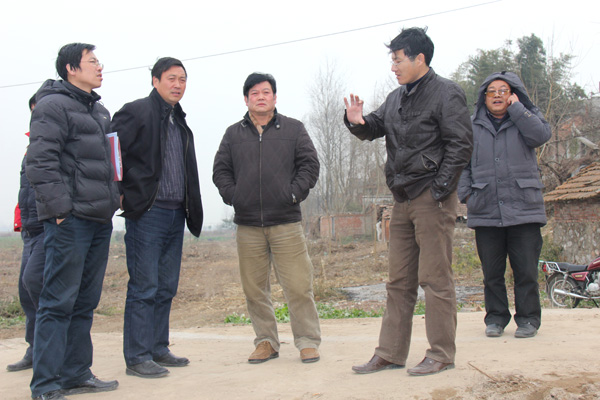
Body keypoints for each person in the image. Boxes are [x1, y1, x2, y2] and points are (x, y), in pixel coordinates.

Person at [343, 27, 473, 376]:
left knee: (435, 279)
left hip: (432, 198)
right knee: (399, 281)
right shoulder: (396, 98)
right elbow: (374, 126)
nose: (393, 67)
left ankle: (441, 353)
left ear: (420, 58)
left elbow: (461, 145)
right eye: (392, 60)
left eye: (398, 60)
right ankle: (390, 353)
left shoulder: (446, 93)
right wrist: (356, 121)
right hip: (401, 199)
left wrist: (440, 189)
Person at [25, 43, 120, 400]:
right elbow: (40, 162)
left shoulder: (99, 111)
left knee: (84, 301)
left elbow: (109, 162)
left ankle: (76, 373)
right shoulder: (52, 106)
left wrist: (115, 197)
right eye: (92, 61)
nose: (99, 67)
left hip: (99, 218)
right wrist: (61, 210)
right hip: (71, 220)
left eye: (99, 61)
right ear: (71, 68)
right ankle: (45, 384)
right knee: (57, 301)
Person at [213, 73, 321, 364]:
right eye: (254, 93)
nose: (260, 97)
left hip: (285, 222)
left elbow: (309, 165)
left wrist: (293, 194)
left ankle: (307, 341)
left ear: (274, 97)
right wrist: (235, 196)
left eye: (266, 92)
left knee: (298, 285)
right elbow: (221, 170)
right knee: (254, 289)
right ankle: (265, 342)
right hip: (248, 225)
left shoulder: (294, 129)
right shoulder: (233, 134)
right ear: (246, 99)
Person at [111, 57, 203, 378]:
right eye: (171, 78)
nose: (178, 85)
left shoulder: (179, 120)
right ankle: (137, 356)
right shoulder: (136, 111)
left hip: (176, 213)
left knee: (166, 286)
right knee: (144, 286)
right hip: (147, 213)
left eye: (182, 79)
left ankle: (158, 347)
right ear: (155, 80)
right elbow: (111, 151)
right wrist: (118, 191)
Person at [458, 71, 551, 339]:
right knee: (492, 272)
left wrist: (518, 109)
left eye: (503, 91)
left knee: (526, 271)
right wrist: (467, 195)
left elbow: (540, 136)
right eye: (492, 91)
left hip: (524, 208)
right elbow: (461, 162)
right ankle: (496, 318)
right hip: (485, 208)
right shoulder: (471, 126)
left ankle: (528, 319)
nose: (497, 95)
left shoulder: (526, 118)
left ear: (513, 95)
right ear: (483, 97)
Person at [7, 95, 45, 373]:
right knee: (26, 290)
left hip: (47, 226)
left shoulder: (52, 143)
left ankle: (50, 349)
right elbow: (25, 189)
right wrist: (21, 220)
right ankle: (34, 348)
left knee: (36, 283)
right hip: (29, 229)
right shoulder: (30, 146)